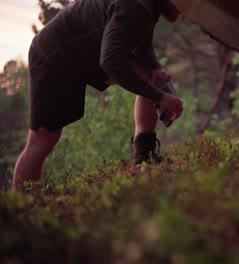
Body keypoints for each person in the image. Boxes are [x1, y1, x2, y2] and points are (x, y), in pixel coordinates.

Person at [13, 0, 184, 189]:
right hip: (53, 56)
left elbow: (142, 44)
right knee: (42, 139)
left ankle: (144, 158)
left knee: (149, 73)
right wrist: (160, 97)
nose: (186, 10)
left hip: (87, 51)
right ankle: (23, 203)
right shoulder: (136, 5)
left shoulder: (148, 6)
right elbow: (112, 60)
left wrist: (155, 68)